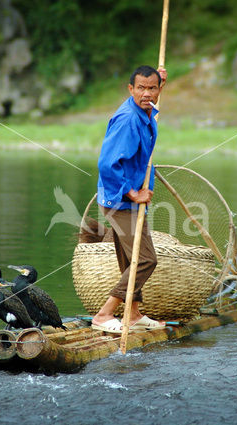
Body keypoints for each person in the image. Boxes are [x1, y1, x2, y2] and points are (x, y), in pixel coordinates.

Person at [91, 65, 167, 334]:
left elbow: (151, 101)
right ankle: (105, 313)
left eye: (153, 88)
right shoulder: (128, 120)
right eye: (141, 88)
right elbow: (107, 164)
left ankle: (133, 314)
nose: (147, 93)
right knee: (145, 260)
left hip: (126, 202)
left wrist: (161, 83)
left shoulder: (145, 111)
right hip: (120, 202)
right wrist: (132, 192)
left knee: (129, 260)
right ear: (130, 89)